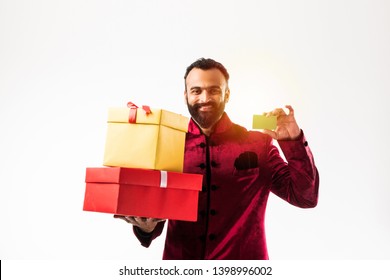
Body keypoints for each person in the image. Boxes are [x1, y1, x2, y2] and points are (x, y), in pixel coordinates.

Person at [114, 58, 319, 260]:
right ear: (186, 96)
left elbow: (305, 197)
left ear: (227, 95)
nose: (205, 98)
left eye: (214, 90)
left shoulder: (260, 144)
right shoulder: (168, 144)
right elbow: (155, 211)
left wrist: (292, 140)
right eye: (196, 91)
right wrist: (145, 228)